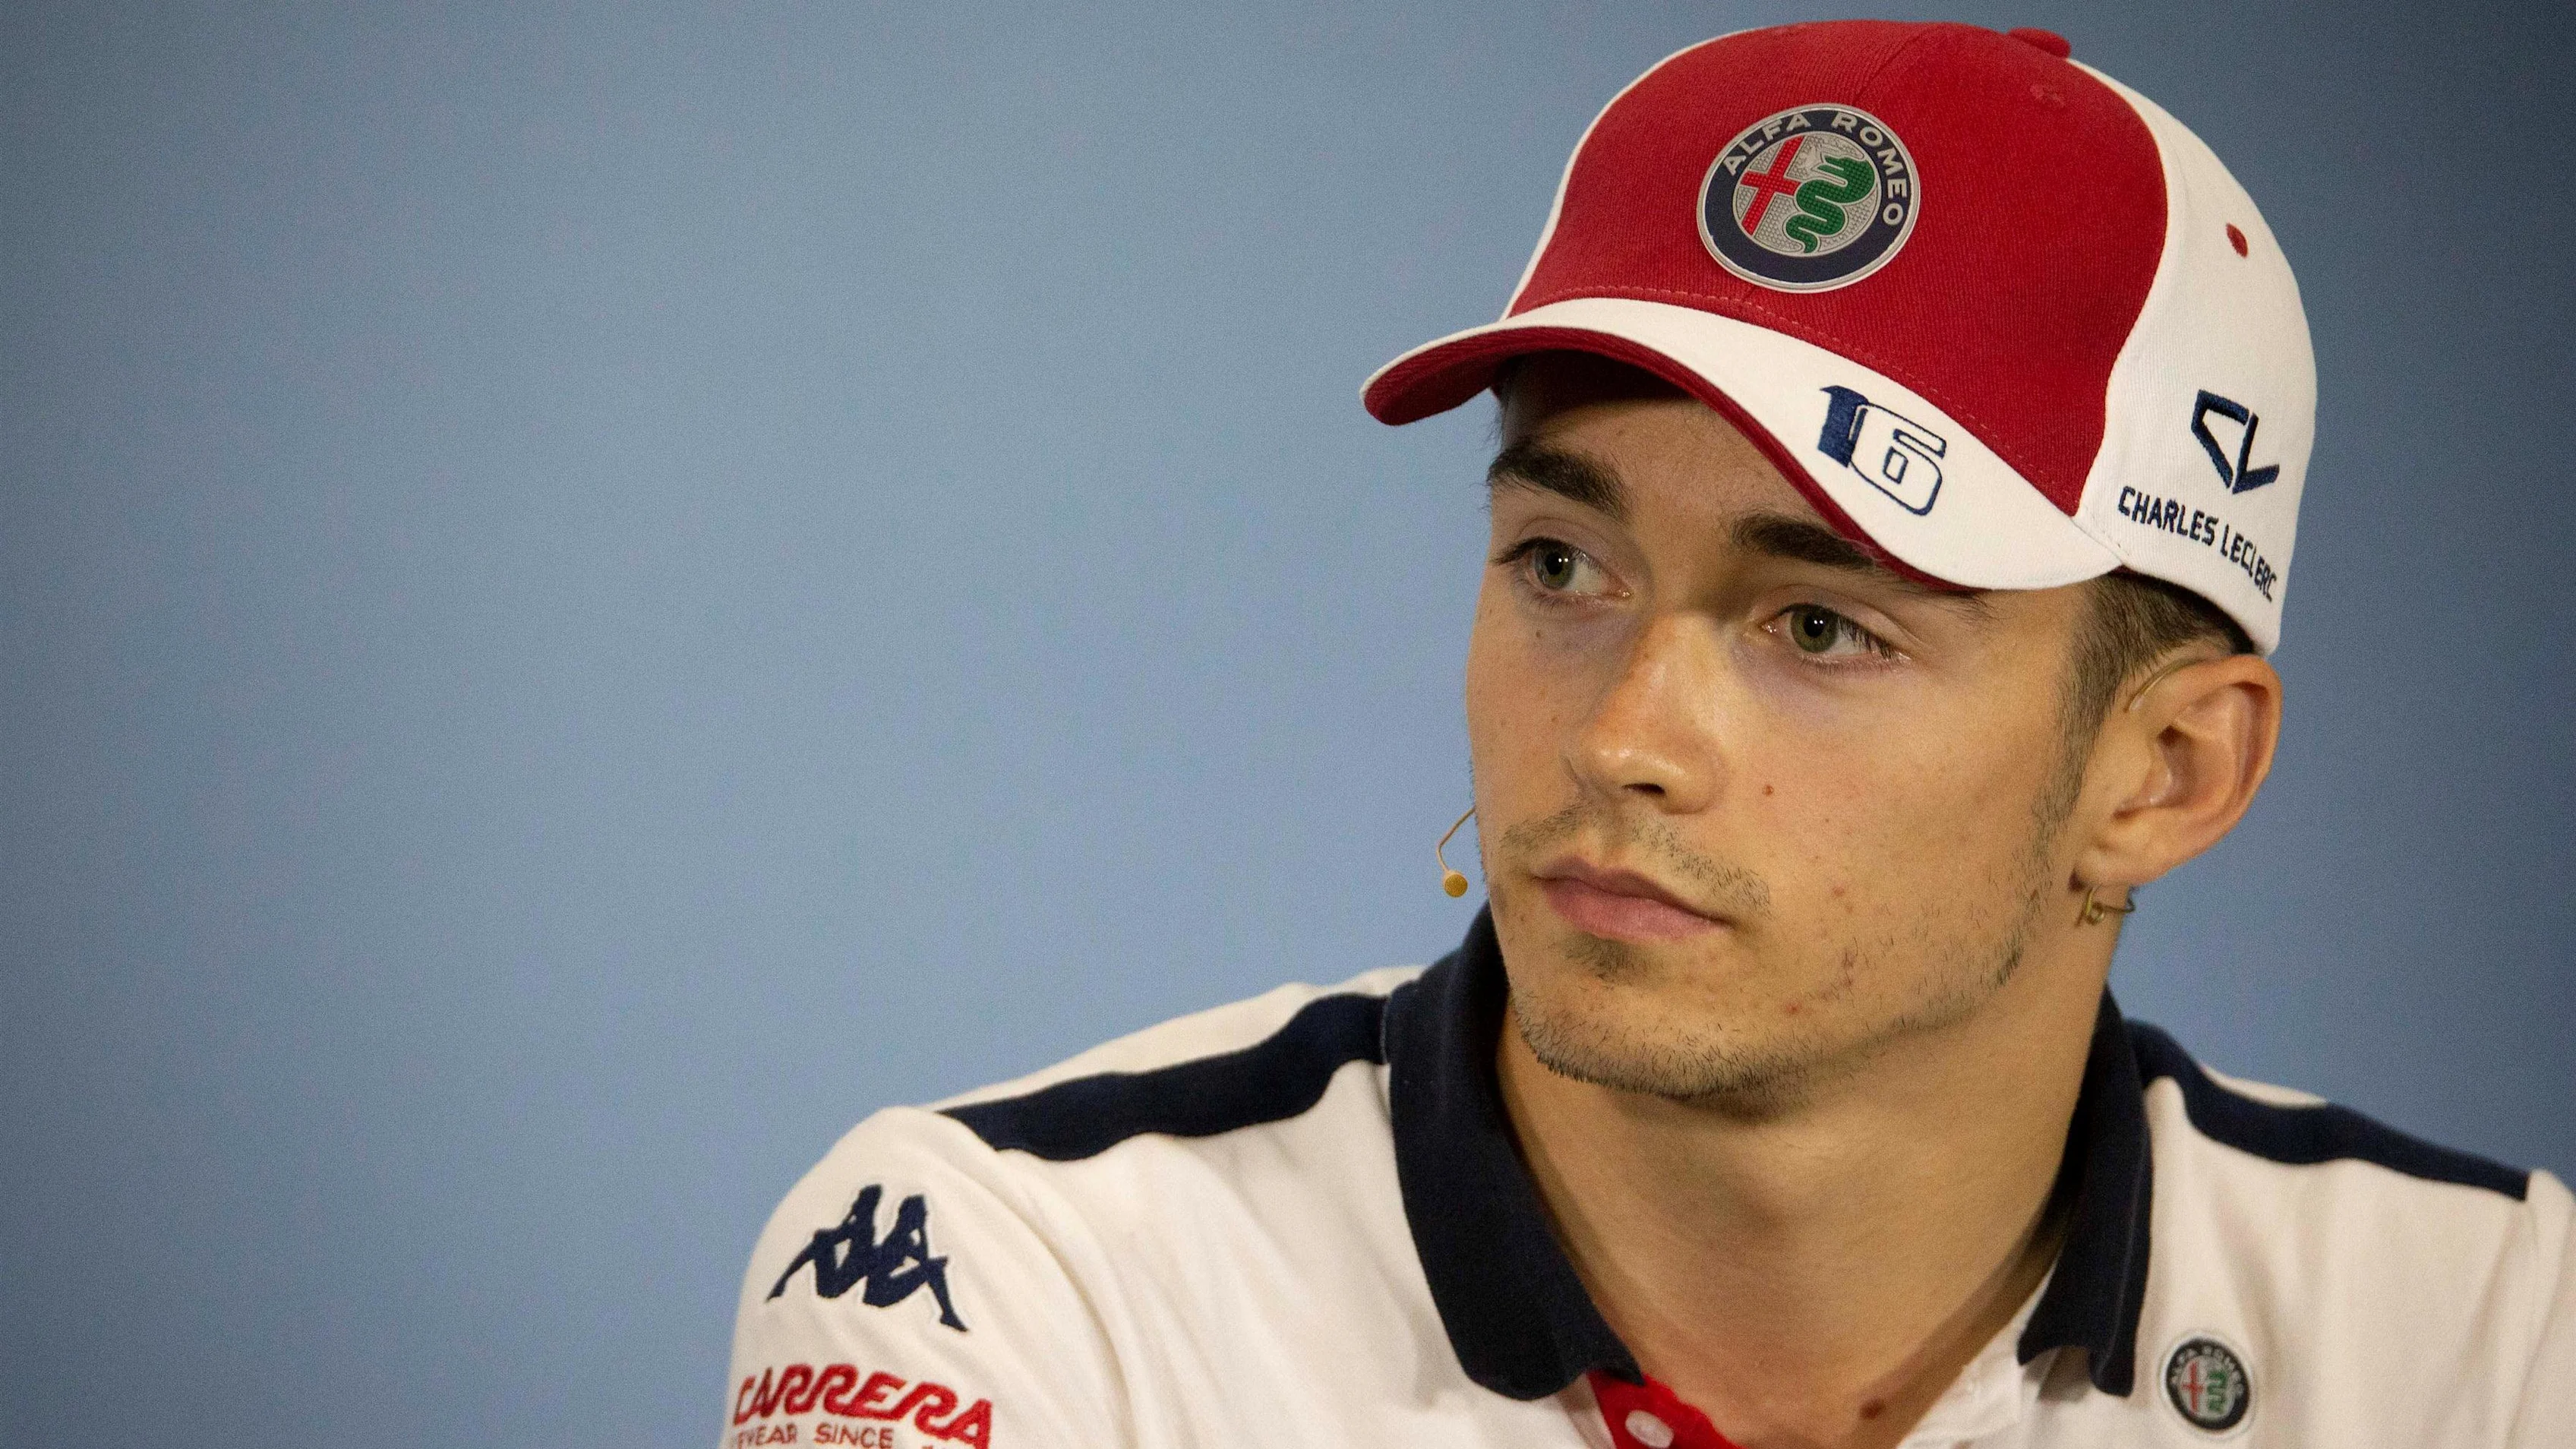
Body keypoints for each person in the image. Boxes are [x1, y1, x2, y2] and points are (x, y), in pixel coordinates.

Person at [718, 21, 2573, 1448]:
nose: (1617, 739)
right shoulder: (1013, 1282)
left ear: (2164, 774)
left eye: (1823, 624)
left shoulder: (2499, 1337)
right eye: (1560, 561)